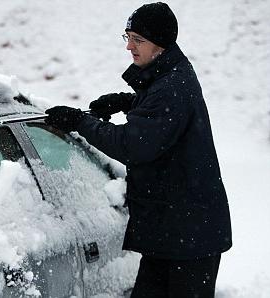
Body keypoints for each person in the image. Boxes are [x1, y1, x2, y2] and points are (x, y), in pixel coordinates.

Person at [44, 2, 232, 297]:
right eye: (127, 37)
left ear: (161, 43)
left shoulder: (172, 86)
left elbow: (132, 145)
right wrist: (126, 101)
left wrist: (79, 121)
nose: (129, 47)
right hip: (175, 230)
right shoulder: (170, 75)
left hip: (188, 237)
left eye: (138, 40)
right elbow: (162, 116)